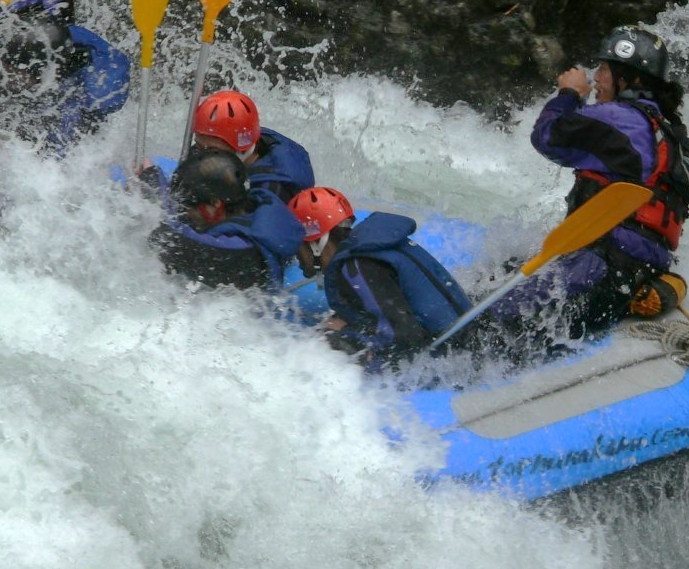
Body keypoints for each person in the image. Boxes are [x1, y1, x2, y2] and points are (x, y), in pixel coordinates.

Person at [485, 24, 689, 344]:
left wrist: (570, 94)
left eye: (603, 69)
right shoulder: (671, 133)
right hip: (637, 275)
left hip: (598, 267)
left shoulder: (621, 118)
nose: (596, 78)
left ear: (632, 79)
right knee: (503, 269)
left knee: (490, 324)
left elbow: (548, 136)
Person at [288, 186, 473, 370]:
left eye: (298, 246)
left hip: (456, 360)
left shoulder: (356, 267)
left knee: (329, 339)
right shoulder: (371, 247)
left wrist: (345, 334)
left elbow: (405, 338)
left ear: (316, 244)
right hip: (466, 340)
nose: (296, 255)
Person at [0, 2, 130, 156]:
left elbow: (55, 159)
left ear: (42, 75)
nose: (5, 72)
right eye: (5, 63)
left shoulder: (98, 92)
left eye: (13, 71)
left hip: (69, 125)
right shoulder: (53, 33)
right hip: (44, 82)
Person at [148, 148, 304, 292]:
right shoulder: (260, 201)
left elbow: (168, 239)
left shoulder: (241, 251)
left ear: (215, 204)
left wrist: (151, 181)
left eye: (188, 206)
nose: (185, 212)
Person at [190, 90, 314, 203]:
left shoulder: (271, 190)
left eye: (213, 151)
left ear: (242, 149)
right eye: (199, 146)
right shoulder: (241, 136)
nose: (202, 158)